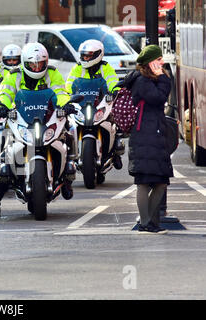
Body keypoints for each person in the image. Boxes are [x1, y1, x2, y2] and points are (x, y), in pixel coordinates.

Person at [0, 42, 75, 219]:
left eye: (40, 64)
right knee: (1, 156)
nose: (36, 68)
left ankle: (67, 177)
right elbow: (4, 93)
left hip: (47, 118)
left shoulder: (52, 73)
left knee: (69, 129)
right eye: (32, 65)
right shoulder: (14, 75)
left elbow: (60, 91)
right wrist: (2, 107)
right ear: (24, 64)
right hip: (20, 119)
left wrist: (66, 104)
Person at [125, 44, 173, 234]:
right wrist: (162, 77)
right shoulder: (142, 81)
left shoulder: (146, 79)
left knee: (160, 181)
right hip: (145, 136)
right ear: (151, 62)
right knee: (144, 181)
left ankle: (152, 222)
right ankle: (146, 223)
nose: (162, 63)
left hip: (153, 135)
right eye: (158, 60)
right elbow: (159, 98)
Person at [65, 39, 124, 171]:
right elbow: (69, 84)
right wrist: (68, 95)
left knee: (114, 116)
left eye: (89, 56)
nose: (85, 58)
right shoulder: (77, 68)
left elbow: (112, 80)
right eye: (84, 55)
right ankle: (71, 154)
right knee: (68, 126)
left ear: (98, 55)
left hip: (99, 102)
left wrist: (114, 91)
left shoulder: (105, 67)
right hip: (82, 104)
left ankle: (115, 149)